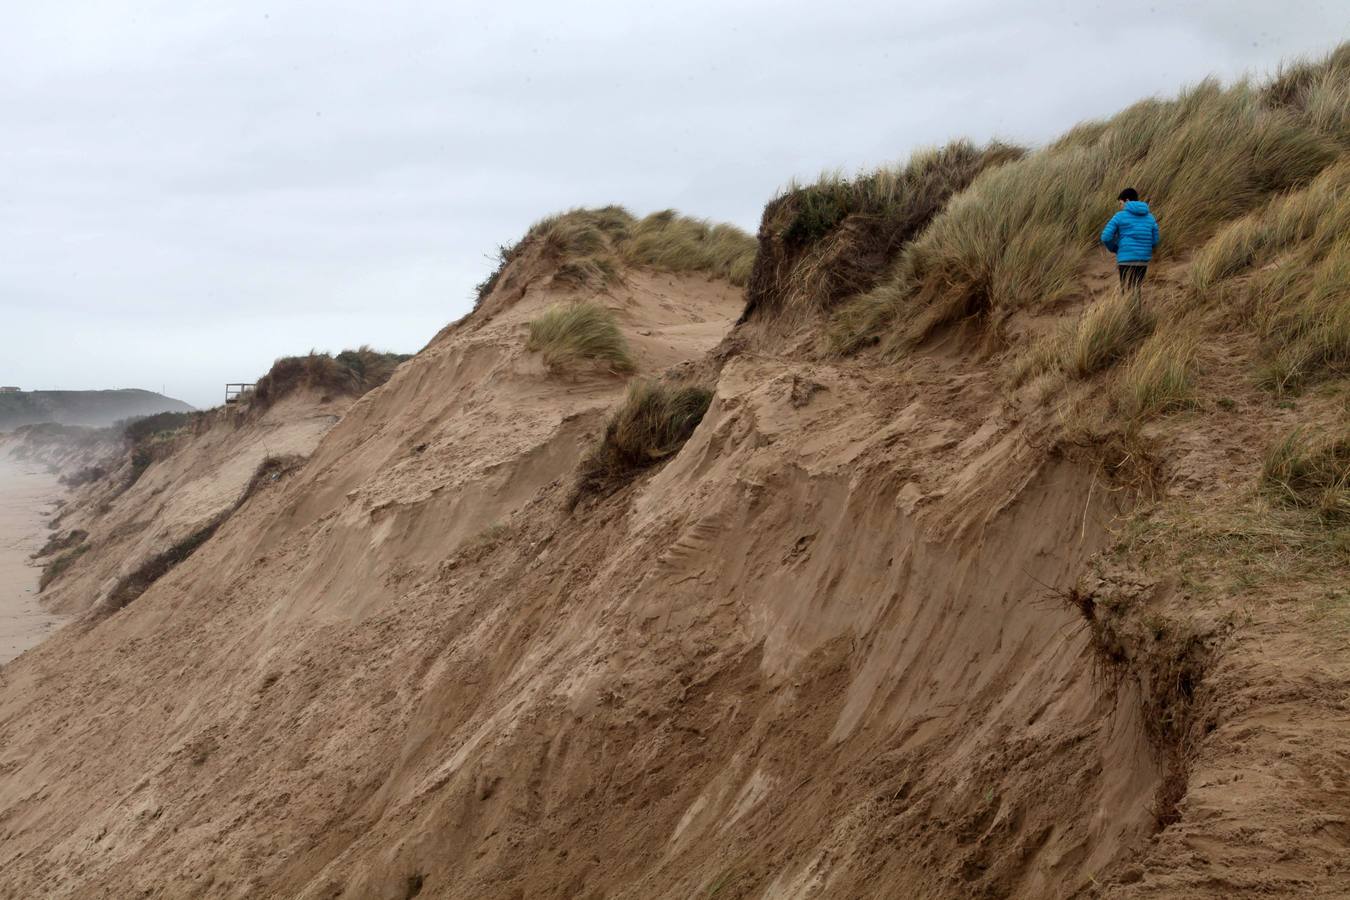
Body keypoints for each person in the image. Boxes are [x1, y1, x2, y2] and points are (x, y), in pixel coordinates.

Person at [1100, 187, 1160, 289]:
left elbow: (1105, 237)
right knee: (1136, 290)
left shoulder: (1119, 216)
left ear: (1127, 200)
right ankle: (1136, 305)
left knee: (1126, 291)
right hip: (1142, 260)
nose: (1120, 207)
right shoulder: (1150, 217)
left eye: (1120, 203)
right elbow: (1155, 241)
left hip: (1125, 259)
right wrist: (1145, 248)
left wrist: (1114, 248)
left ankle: (1128, 305)